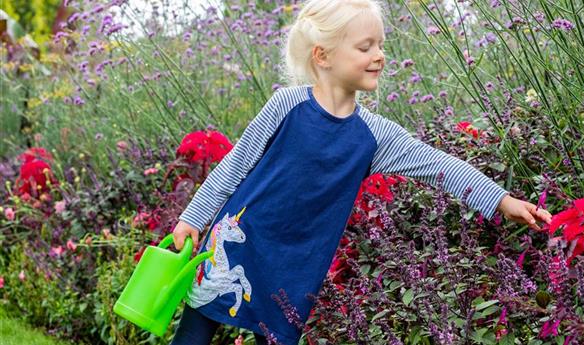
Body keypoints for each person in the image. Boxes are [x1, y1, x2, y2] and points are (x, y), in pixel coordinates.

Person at [168, 1, 553, 344]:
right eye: (365, 47)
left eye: (381, 45)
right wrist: (193, 217)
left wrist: (502, 200)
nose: (379, 55)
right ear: (323, 55)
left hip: (297, 266)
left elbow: (440, 166)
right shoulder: (286, 105)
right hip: (238, 244)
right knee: (192, 336)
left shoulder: (375, 135)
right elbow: (235, 165)